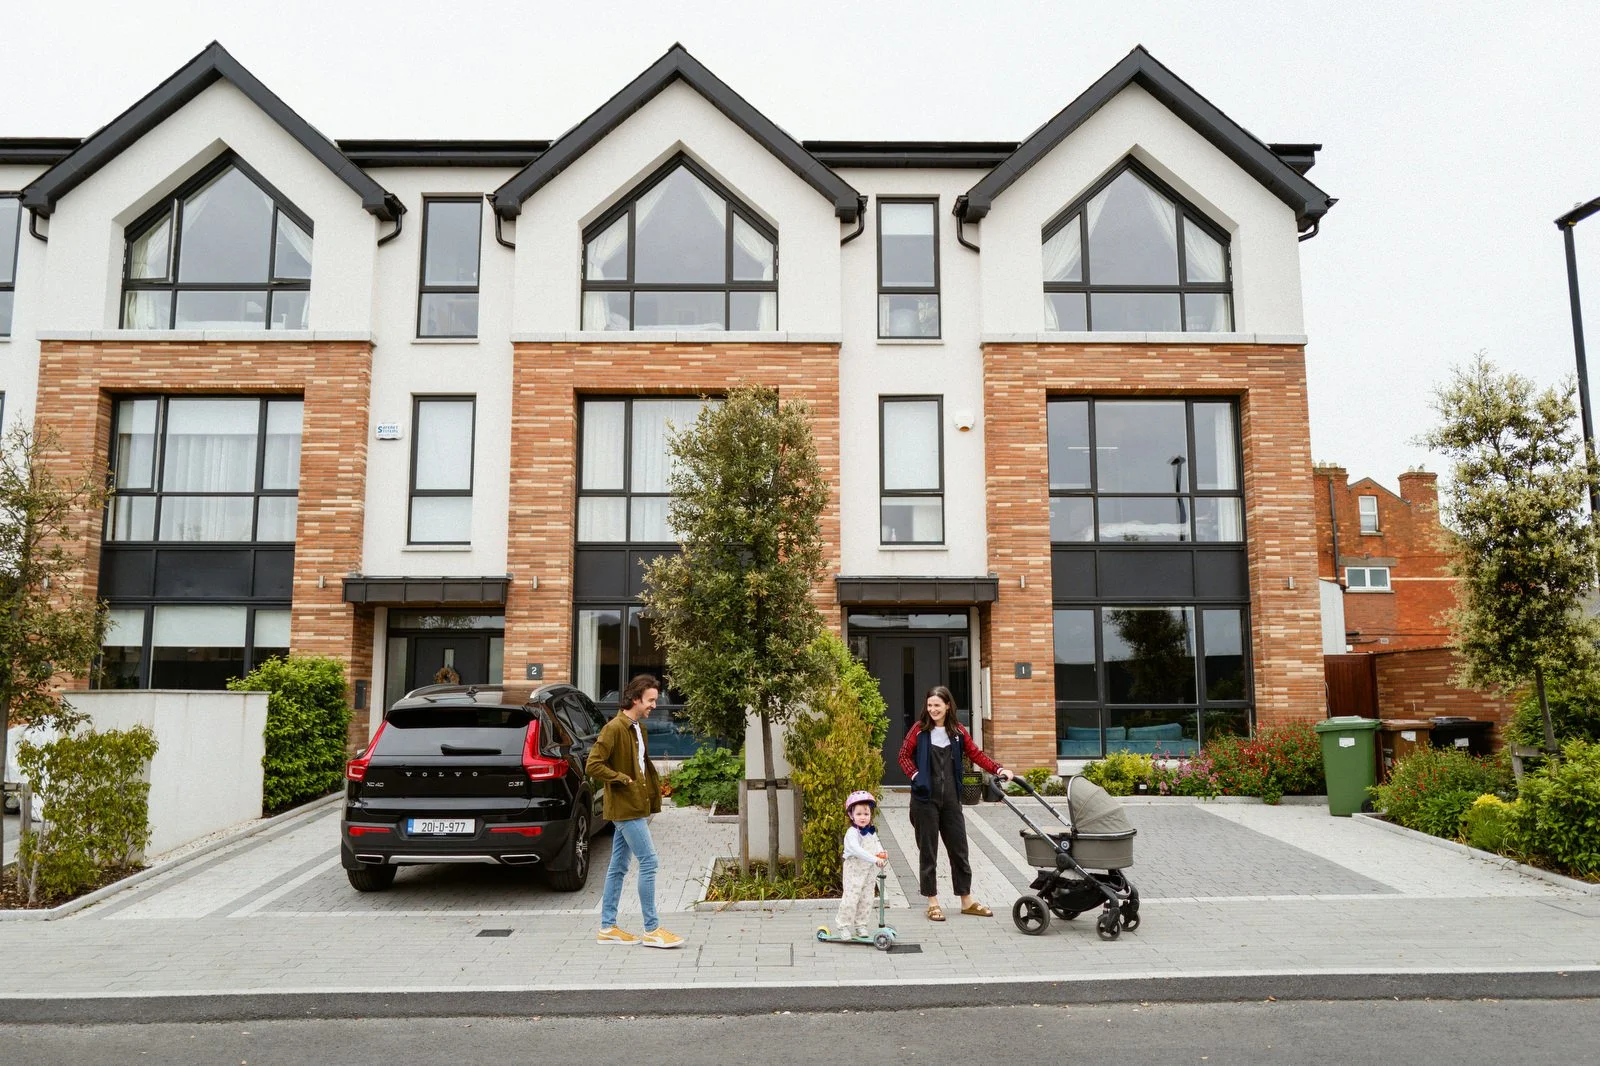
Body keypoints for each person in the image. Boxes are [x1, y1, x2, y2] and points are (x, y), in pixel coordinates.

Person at [896, 685, 1013, 921]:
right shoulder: (919, 730)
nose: (933, 710)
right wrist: (916, 776)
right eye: (929, 705)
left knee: (960, 851)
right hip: (924, 801)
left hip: (951, 800)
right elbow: (903, 756)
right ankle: (932, 902)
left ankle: (966, 900)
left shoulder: (958, 732)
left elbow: (976, 754)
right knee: (928, 853)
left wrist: (999, 768)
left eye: (937, 705)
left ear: (948, 706)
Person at [586, 674, 685, 949]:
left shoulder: (638, 727)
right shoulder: (614, 728)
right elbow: (593, 765)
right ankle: (652, 929)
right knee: (650, 862)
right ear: (635, 699)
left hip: (636, 805)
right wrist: (621, 779)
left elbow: (642, 765)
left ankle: (607, 927)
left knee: (618, 867)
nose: (655, 705)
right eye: (650, 700)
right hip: (625, 808)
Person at [836, 789, 888, 939]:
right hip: (854, 870)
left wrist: (881, 853)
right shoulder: (852, 833)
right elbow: (857, 850)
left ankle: (861, 925)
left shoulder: (871, 831)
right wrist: (874, 858)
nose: (863, 817)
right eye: (858, 814)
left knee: (867, 898)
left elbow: (876, 844)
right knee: (851, 898)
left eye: (866, 814)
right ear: (851, 815)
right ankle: (843, 925)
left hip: (869, 871)